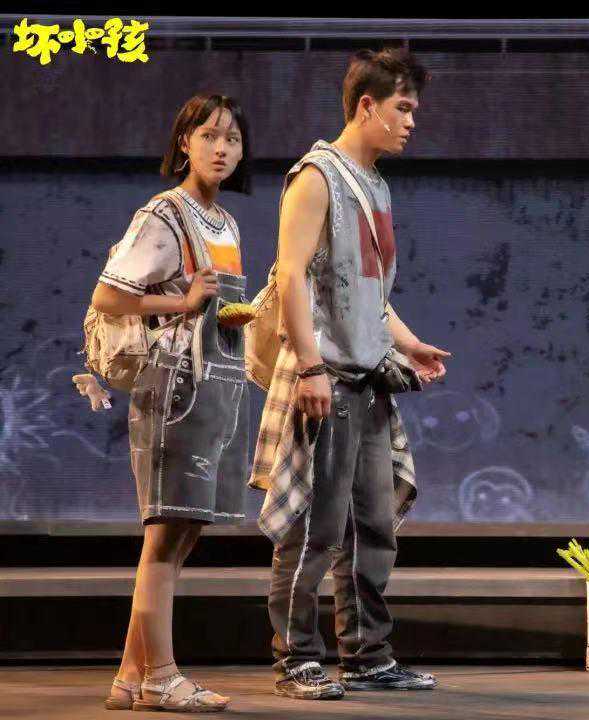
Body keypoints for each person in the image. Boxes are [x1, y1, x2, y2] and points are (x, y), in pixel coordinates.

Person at [255, 48, 450, 700]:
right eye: (403, 108)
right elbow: (290, 277)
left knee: (373, 527)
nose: (411, 121)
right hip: (326, 377)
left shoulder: (376, 185)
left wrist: (409, 344)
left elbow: (371, 292)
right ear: (367, 106)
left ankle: (367, 655)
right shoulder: (317, 177)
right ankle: (296, 658)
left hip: (369, 379)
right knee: (314, 527)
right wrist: (310, 366)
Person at [92, 93, 253, 711]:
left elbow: (216, 305)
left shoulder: (225, 222)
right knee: (165, 534)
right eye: (209, 135)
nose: (222, 148)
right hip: (174, 389)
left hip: (216, 387)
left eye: (232, 138)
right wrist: (181, 303)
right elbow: (110, 296)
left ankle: (129, 675)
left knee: (182, 534)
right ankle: (161, 675)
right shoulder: (164, 214)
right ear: (184, 142)